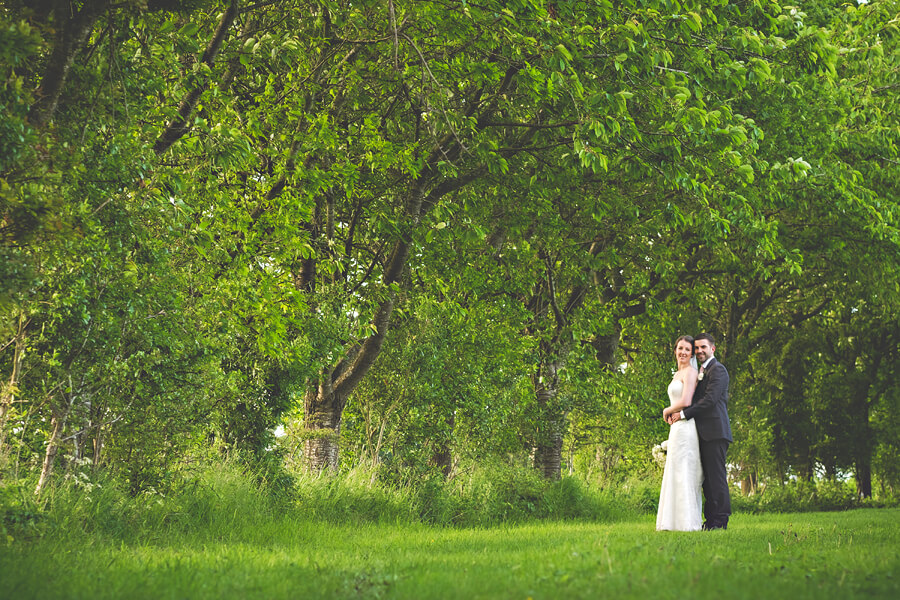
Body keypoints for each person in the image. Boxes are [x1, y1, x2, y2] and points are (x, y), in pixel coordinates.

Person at [666, 333, 732, 530]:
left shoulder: (718, 370)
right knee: (706, 481)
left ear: (713, 349)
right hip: (701, 433)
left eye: (703, 347)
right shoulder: (700, 371)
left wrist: (683, 414)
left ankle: (720, 522)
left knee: (716, 478)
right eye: (697, 348)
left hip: (716, 431)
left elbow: (710, 400)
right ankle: (709, 521)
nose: (699, 351)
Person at [656, 335, 703, 531]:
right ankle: (671, 521)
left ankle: (687, 522)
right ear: (675, 350)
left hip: (686, 427)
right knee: (674, 470)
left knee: (684, 471)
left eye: (687, 349)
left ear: (691, 353)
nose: (683, 352)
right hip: (675, 428)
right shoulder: (676, 374)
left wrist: (667, 410)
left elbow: (687, 400)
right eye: (680, 348)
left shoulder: (691, 373)